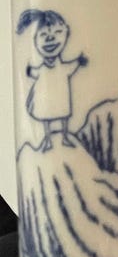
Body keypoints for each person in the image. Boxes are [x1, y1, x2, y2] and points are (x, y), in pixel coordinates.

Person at [16, 9, 88, 152]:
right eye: (43, 35)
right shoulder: (42, 69)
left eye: (57, 32)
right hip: (46, 98)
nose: (50, 39)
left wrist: (79, 62)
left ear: (67, 33)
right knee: (46, 117)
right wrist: (29, 70)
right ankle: (48, 139)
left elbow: (70, 67)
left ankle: (65, 136)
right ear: (35, 40)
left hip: (60, 96)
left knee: (64, 114)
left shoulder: (62, 67)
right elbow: (34, 72)